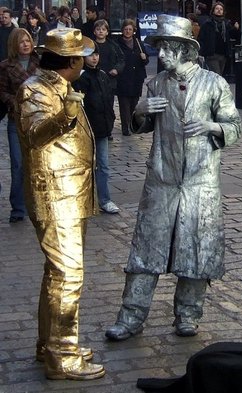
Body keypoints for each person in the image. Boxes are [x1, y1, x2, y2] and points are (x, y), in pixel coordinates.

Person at [105, 14, 242, 341]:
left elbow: (234, 126)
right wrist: (140, 110)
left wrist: (214, 127)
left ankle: (188, 315)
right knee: (145, 251)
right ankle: (131, 317)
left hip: (200, 183)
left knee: (196, 251)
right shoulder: (155, 83)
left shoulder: (214, 83)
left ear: (185, 50)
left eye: (167, 48)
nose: (161, 55)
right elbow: (142, 125)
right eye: (160, 48)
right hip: (161, 181)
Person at [14, 28, 105, 380]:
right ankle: (63, 356)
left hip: (71, 192)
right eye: (81, 56)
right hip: (55, 195)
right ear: (70, 62)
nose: (84, 60)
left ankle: (50, 344)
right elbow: (36, 135)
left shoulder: (59, 86)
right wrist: (66, 114)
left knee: (57, 274)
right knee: (68, 275)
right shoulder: (35, 89)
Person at [73, 42, 119, 214]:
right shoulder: (81, 78)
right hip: (87, 129)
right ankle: (84, 199)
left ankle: (104, 199)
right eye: (90, 55)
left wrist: (111, 120)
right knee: (86, 166)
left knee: (104, 166)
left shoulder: (102, 75)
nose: (94, 58)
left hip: (102, 128)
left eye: (96, 54)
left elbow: (108, 100)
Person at [0, 28, 39, 223]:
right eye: (22, 41)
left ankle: (37, 204)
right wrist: (14, 101)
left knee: (36, 164)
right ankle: (18, 208)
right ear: (15, 44)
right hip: (16, 121)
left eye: (28, 40)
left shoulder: (40, 63)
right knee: (18, 164)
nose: (25, 44)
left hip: (37, 120)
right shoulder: (6, 66)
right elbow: (2, 91)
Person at [93, 18, 125, 140]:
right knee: (95, 105)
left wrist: (117, 69)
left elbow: (121, 59)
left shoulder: (113, 45)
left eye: (103, 29)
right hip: (94, 79)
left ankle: (108, 130)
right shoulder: (91, 45)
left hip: (109, 81)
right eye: (98, 29)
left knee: (108, 106)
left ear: (107, 32)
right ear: (94, 31)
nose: (100, 31)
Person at [116, 18, 148, 136]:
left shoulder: (138, 43)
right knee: (124, 104)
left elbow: (146, 61)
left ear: (133, 30)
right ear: (122, 30)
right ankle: (125, 127)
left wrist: (144, 58)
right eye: (126, 29)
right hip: (123, 78)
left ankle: (131, 125)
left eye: (130, 29)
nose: (128, 31)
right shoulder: (117, 44)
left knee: (134, 103)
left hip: (136, 78)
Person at [198, 1, 241, 76]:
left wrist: (236, 29)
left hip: (223, 55)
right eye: (217, 8)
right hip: (212, 54)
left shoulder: (226, 23)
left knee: (218, 76)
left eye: (221, 9)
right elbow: (201, 38)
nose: (219, 10)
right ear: (213, 11)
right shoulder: (208, 23)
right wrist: (202, 52)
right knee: (217, 75)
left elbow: (233, 36)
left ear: (223, 12)